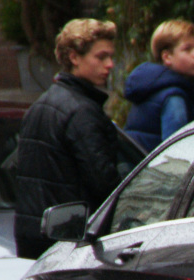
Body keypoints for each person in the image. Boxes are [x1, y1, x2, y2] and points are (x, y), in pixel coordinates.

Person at [12, 18, 120, 260]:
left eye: (111, 57)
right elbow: (104, 183)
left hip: (34, 236)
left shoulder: (40, 105)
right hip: (70, 241)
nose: (110, 64)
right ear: (74, 57)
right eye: (101, 57)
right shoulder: (81, 112)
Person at [122, 19, 194, 152]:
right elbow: (175, 154)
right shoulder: (173, 97)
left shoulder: (150, 87)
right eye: (187, 49)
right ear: (167, 57)